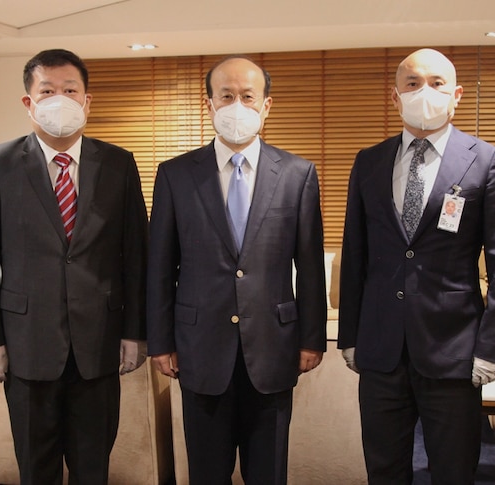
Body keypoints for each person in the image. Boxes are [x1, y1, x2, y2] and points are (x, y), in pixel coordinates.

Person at [338, 48, 495, 484]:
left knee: (453, 470)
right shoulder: (369, 160)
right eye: (413, 83)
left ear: (456, 94)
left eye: (437, 83)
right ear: (395, 95)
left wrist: (493, 349)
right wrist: (351, 336)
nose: (425, 92)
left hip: (455, 352)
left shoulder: (487, 159)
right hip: (382, 351)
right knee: (384, 469)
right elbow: (356, 256)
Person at [0, 49, 148, 484]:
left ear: (87, 101)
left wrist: (135, 332)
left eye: (71, 90)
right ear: (28, 102)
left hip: (98, 346)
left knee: (93, 469)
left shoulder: (118, 163)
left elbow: (136, 256)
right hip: (27, 347)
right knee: (36, 468)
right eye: (47, 91)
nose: (59, 99)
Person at [147, 55, 327, 484]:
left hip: (274, 348)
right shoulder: (175, 175)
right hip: (198, 348)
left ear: (266, 105)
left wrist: (312, 337)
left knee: (269, 473)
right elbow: (159, 266)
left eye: (248, 96)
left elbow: (311, 265)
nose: (237, 105)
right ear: (209, 104)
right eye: (226, 96)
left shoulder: (299, 175)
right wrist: (160, 341)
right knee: (207, 473)